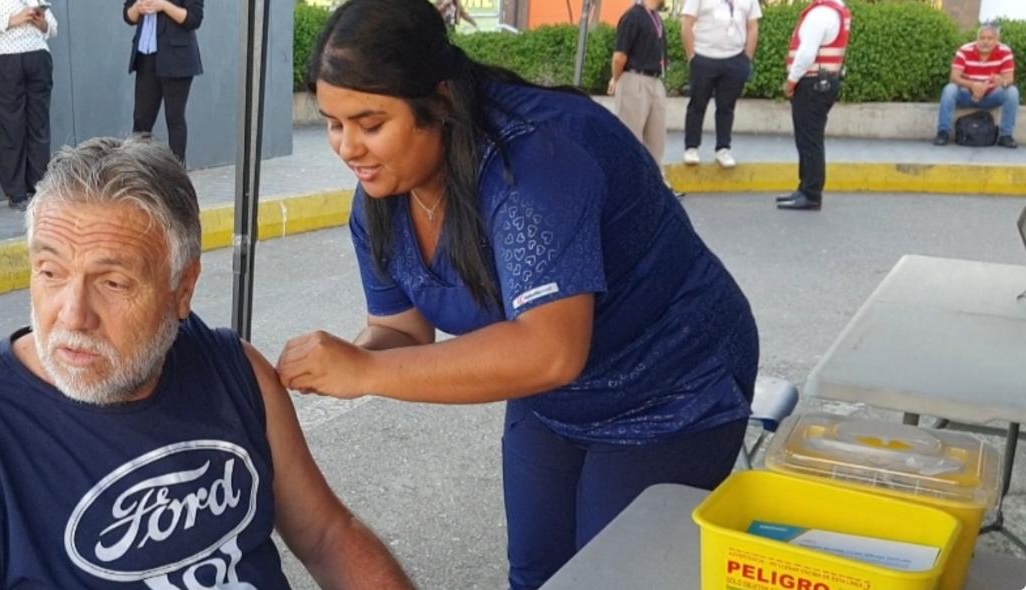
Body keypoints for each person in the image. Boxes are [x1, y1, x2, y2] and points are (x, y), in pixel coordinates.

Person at [278, 1, 758, 587]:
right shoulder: (379, 202)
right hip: (553, 399)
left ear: (441, 100)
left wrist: (364, 373)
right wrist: (333, 365)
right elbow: (403, 333)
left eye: (371, 124)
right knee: (536, 574)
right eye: (333, 123)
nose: (348, 147)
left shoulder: (533, 162)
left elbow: (549, 350)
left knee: (609, 579)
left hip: (671, 387)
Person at [0, 136, 413, 590]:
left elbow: (327, 535)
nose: (73, 315)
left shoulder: (234, 372)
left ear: (183, 288)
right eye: (50, 272)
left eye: (112, 283)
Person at [0, 0, 57, 211]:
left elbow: (53, 26)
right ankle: (16, 192)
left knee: (39, 126)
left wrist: (41, 22)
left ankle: (39, 187)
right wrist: (12, 20)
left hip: (37, 56)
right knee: (7, 126)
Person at [776, 0, 851, 211]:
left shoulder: (820, 13)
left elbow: (806, 54)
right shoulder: (837, 10)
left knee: (809, 140)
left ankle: (810, 194)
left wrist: (791, 81)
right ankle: (804, 188)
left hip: (812, 83)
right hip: (823, 82)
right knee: (809, 138)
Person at [608, 0, 685, 198]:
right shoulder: (632, 16)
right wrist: (617, 80)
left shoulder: (656, 17)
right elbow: (619, 56)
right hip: (635, 79)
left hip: (654, 81)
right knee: (631, 138)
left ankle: (656, 187)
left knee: (656, 139)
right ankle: (627, 190)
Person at [679, 0, 762, 168]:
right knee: (697, 104)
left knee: (726, 107)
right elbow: (687, 23)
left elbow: (753, 26)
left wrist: (747, 59)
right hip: (704, 56)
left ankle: (723, 148)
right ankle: (691, 148)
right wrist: (692, 57)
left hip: (735, 58)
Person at [124, 0, 204, 164]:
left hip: (177, 57)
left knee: (174, 118)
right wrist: (137, 7)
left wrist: (164, 5)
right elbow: (128, 16)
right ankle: (137, 173)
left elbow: (194, 19)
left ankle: (177, 177)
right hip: (146, 56)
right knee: (141, 120)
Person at [933, 23, 1018, 149]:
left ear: (997, 40)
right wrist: (973, 85)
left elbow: (1009, 79)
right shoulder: (965, 50)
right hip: (967, 94)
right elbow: (954, 77)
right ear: (977, 39)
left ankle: (1005, 136)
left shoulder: (1005, 51)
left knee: (1012, 92)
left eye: (990, 38)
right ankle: (943, 132)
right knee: (949, 89)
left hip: (991, 96)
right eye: (982, 38)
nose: (985, 42)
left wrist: (1001, 82)